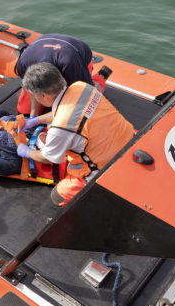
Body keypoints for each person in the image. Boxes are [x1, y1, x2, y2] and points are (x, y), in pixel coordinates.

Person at [16, 63, 134, 206]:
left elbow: (47, 158)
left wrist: (26, 151)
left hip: (108, 166)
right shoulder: (81, 87)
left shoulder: (60, 128)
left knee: (58, 196)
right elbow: (70, 112)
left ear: (42, 95)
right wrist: (36, 121)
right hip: (131, 139)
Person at [15, 33, 105, 116]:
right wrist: (33, 116)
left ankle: (100, 78)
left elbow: (85, 96)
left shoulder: (72, 66)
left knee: (84, 101)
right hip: (47, 52)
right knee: (24, 110)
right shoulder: (23, 65)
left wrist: (53, 118)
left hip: (75, 55)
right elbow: (32, 90)